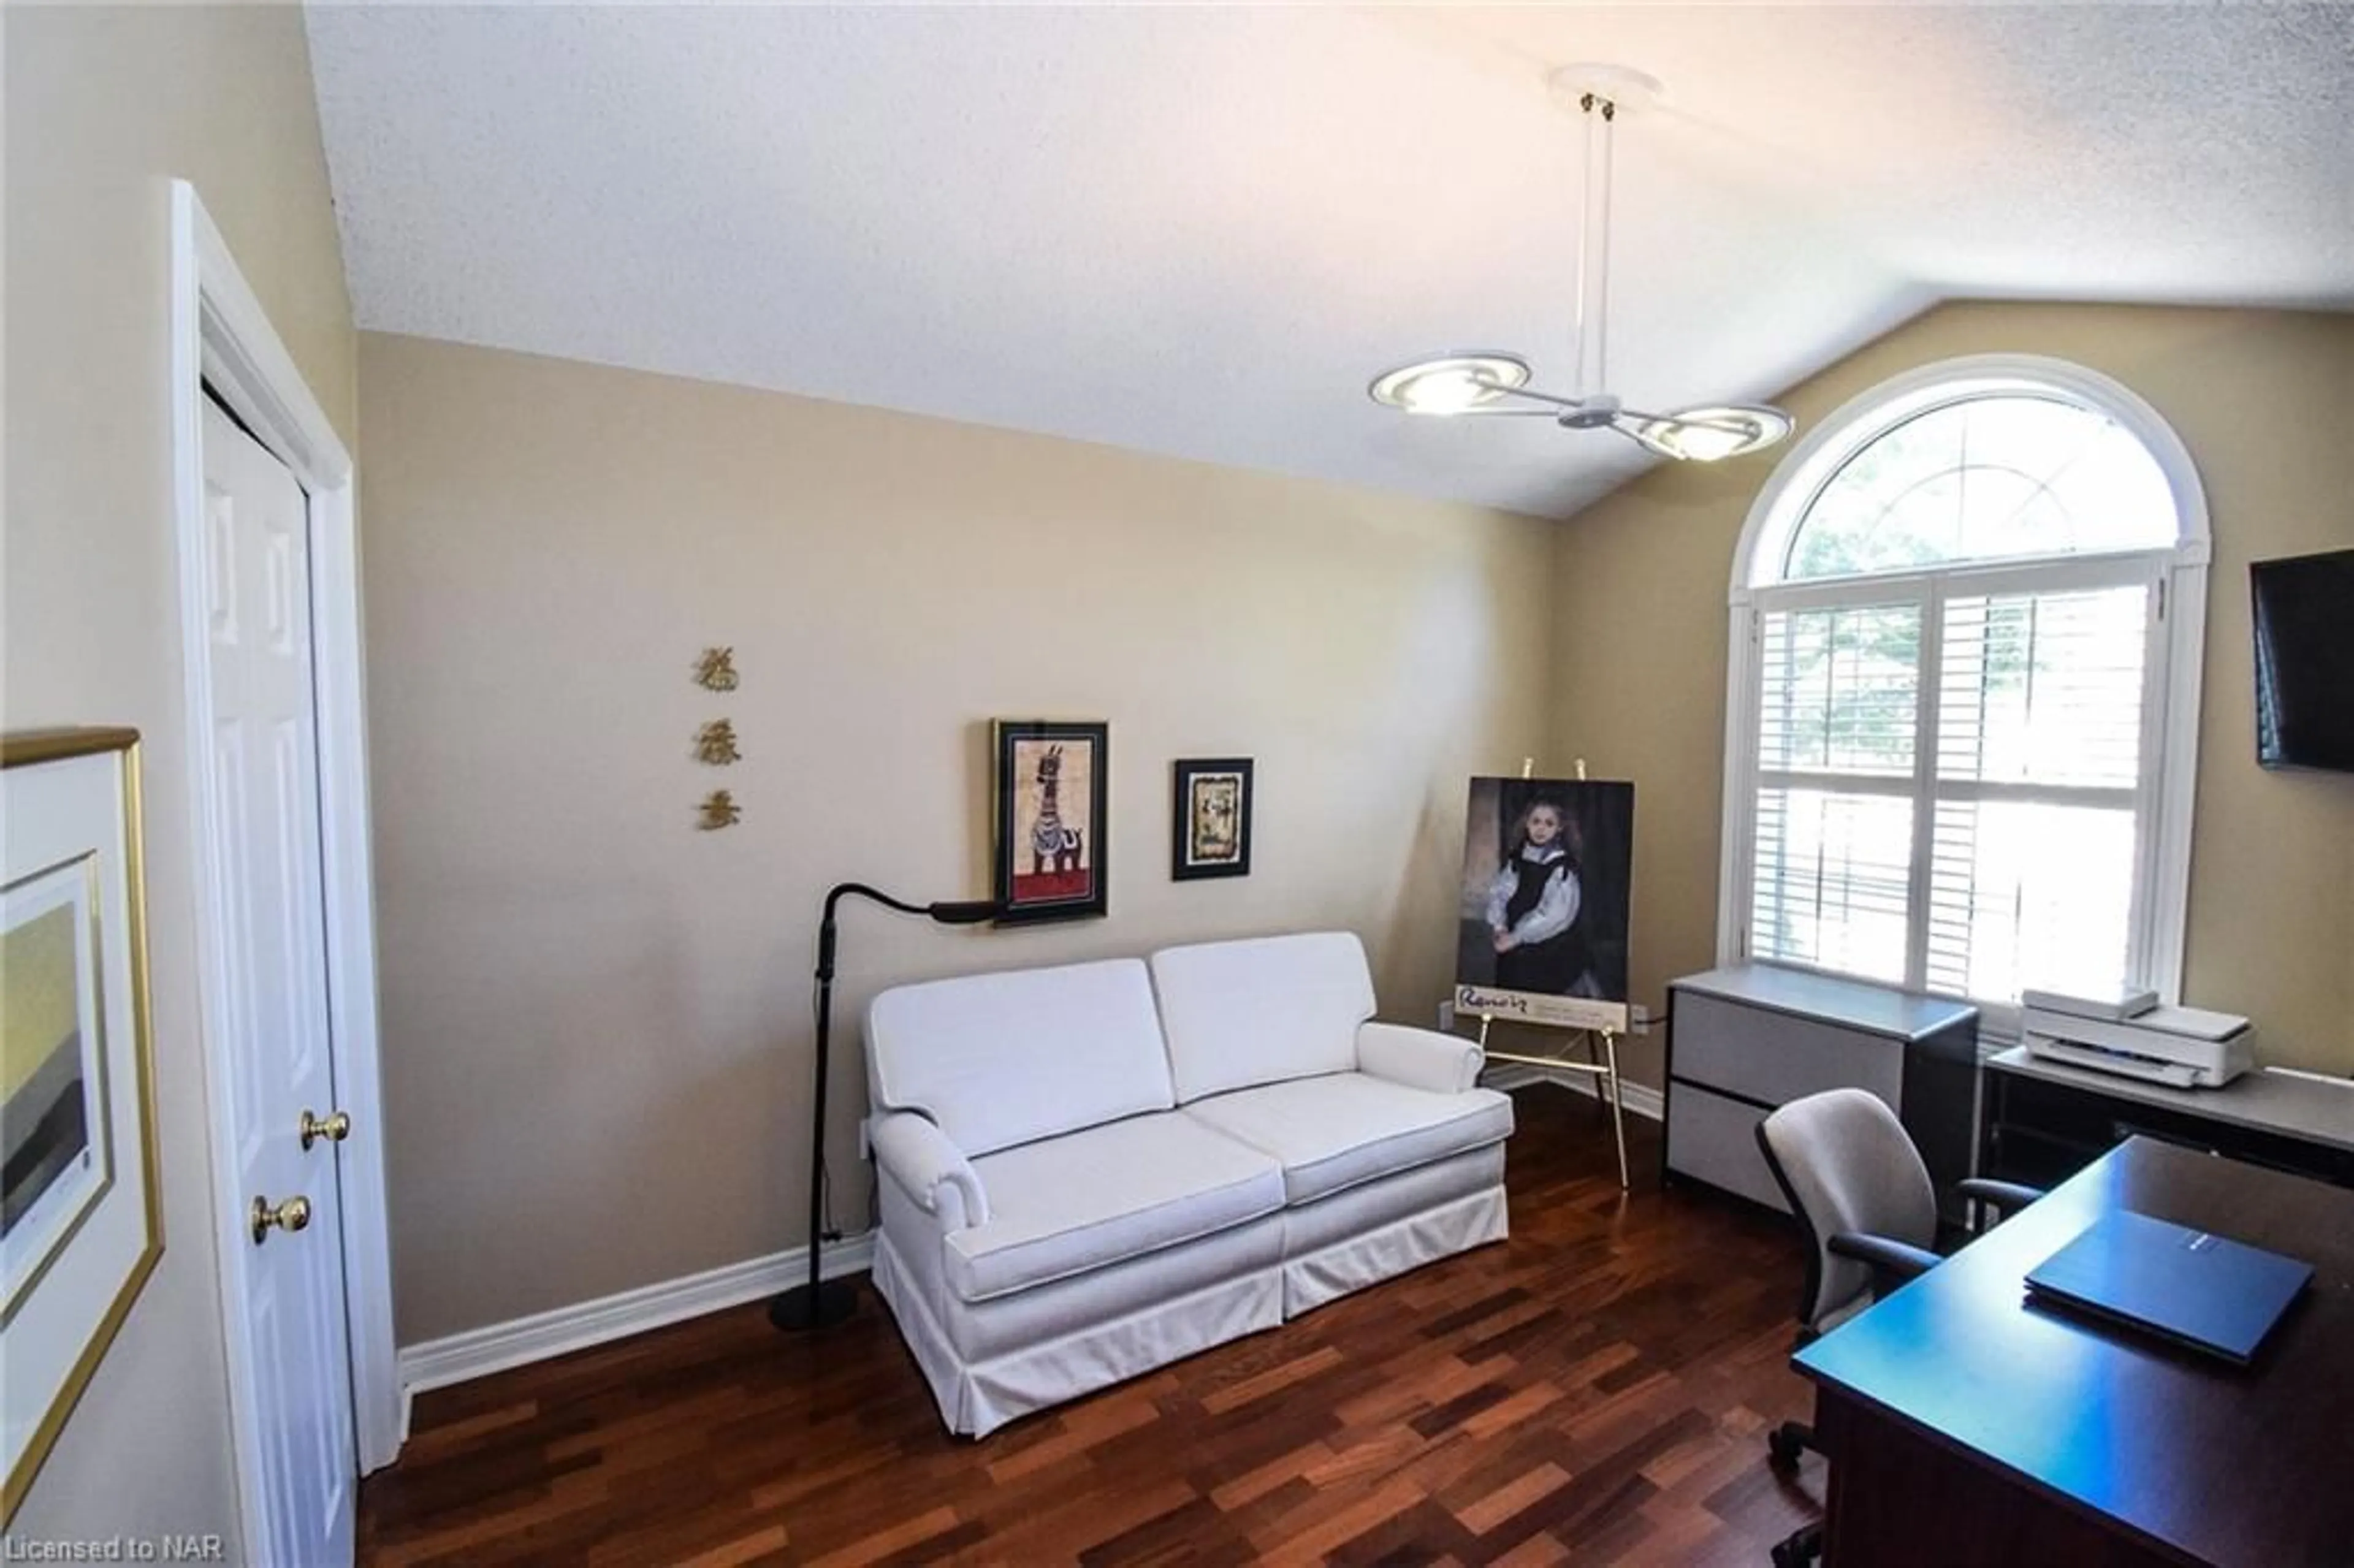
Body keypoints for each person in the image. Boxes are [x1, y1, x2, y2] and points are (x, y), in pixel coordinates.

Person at [1484, 798, 1597, 996]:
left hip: (1548, 950)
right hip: (1513, 946)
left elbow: (1554, 915)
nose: (1541, 829)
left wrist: (1517, 937)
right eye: (1536, 822)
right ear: (1527, 823)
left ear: (1560, 828)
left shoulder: (1562, 867)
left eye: (1549, 823)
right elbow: (1500, 893)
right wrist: (1500, 926)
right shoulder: (1518, 860)